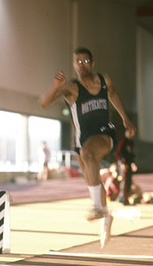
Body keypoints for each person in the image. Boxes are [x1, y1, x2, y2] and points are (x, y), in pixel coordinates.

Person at [40, 47, 136, 248]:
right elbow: (44, 103)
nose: (82, 65)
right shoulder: (71, 88)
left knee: (88, 153)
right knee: (93, 179)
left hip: (104, 134)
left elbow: (114, 95)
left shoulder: (104, 81)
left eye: (86, 61)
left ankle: (97, 207)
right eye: (78, 62)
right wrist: (55, 86)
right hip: (82, 141)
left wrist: (125, 118)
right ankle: (106, 216)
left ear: (92, 64)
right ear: (74, 65)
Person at [116, 129, 138, 205]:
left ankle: (122, 198)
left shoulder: (131, 143)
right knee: (124, 182)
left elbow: (131, 155)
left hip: (128, 164)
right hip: (123, 164)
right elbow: (118, 153)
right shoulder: (123, 141)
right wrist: (122, 163)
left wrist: (133, 163)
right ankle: (124, 200)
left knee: (128, 181)